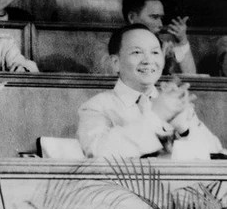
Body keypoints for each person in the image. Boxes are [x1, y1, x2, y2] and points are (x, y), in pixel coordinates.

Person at [77, 24, 221, 159]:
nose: (148, 60)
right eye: (137, 52)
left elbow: (216, 153)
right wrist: (156, 116)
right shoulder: (96, 107)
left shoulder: (173, 102)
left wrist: (184, 128)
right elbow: (96, 152)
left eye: (155, 52)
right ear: (116, 63)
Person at [120, 0, 196, 75]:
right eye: (154, 17)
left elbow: (191, 76)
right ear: (132, 18)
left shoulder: (163, 45)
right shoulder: (119, 46)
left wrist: (182, 41)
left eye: (161, 18)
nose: (160, 25)